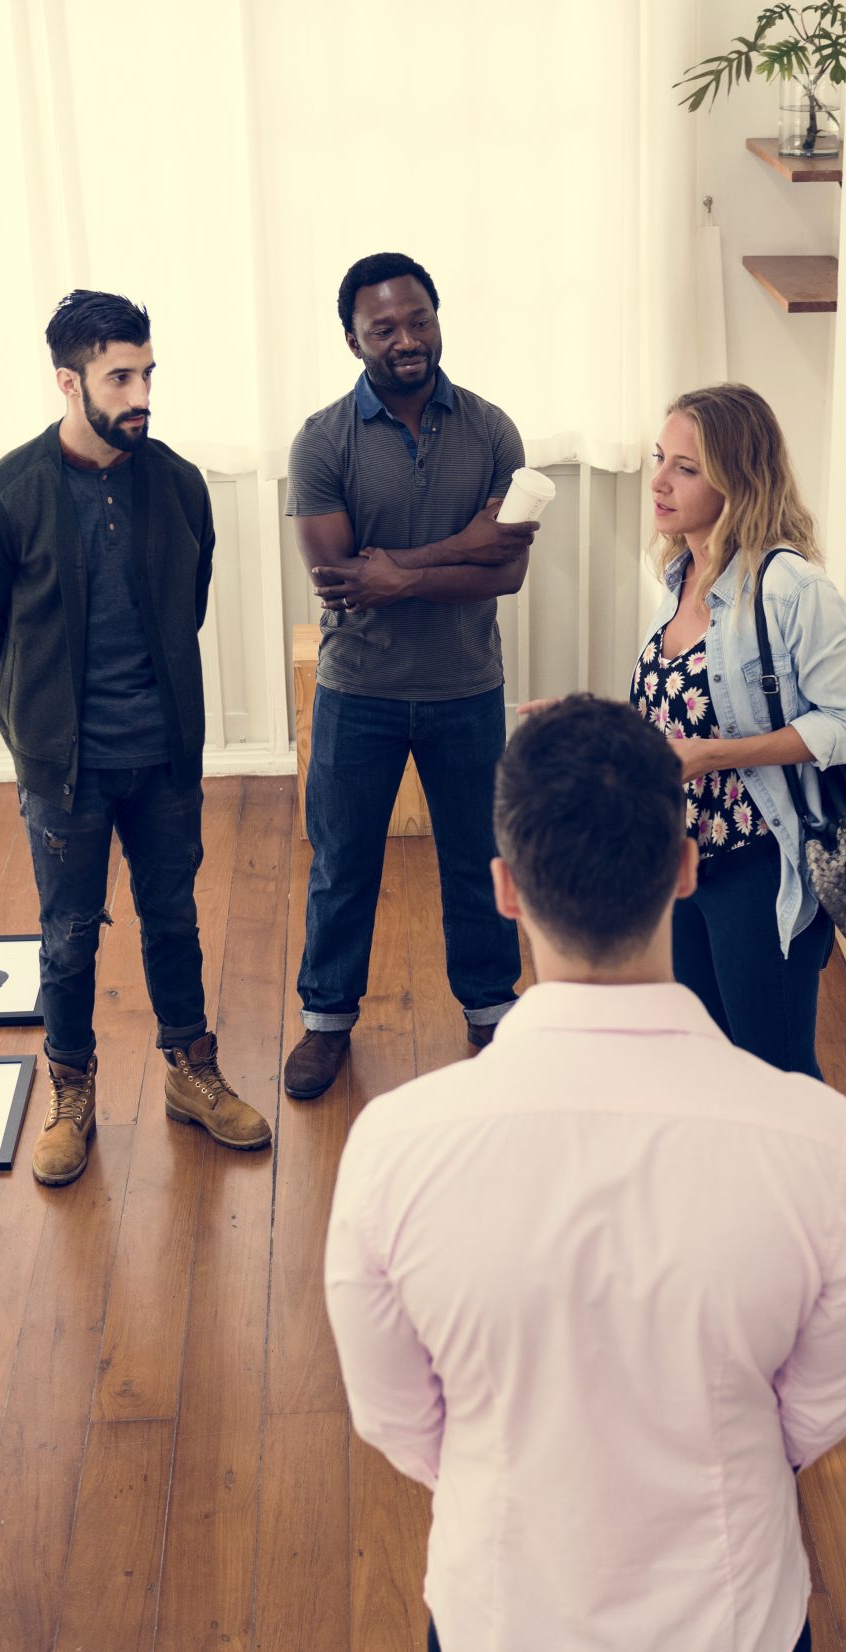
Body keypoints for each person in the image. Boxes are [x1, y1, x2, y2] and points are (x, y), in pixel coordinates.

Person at [325, 696, 846, 1652]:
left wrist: (527, 1463)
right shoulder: (815, 1139)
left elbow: (399, 1422)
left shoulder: (395, 1147)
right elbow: (816, 1413)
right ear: (686, 869)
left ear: (502, 890)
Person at [0, 289, 271, 1186]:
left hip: (164, 753)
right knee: (67, 937)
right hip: (65, 768)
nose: (141, 394)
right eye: (119, 377)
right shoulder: (4, 499)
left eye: (147, 373)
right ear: (67, 381)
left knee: (174, 916)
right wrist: (50, 705)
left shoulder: (178, 484)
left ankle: (188, 1072)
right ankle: (72, 1092)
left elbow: (187, 605)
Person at [282, 251, 537, 1098]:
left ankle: (493, 1013)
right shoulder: (323, 441)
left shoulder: (494, 431)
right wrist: (460, 545)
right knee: (343, 860)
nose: (407, 338)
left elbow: (506, 572)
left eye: (419, 319)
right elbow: (340, 582)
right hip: (358, 691)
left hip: (468, 686)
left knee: (479, 856)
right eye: (384, 328)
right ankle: (326, 1023)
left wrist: (402, 574)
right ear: (353, 340)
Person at [632, 383, 846, 1079]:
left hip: (759, 861)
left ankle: (807, 1188)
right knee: (706, 1059)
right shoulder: (679, 572)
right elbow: (676, 707)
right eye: (661, 458)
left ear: (739, 479)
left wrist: (716, 755)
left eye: (686, 467)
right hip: (684, 863)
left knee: (775, 1071)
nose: (659, 482)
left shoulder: (789, 588)